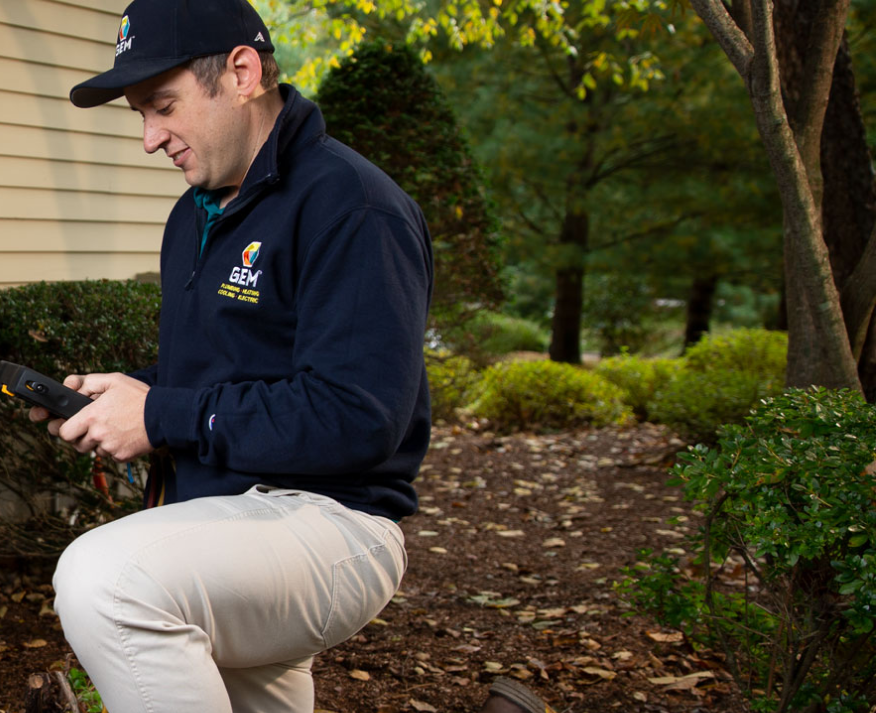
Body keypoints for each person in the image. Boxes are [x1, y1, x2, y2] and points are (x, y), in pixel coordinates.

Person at [28, 1, 557, 712]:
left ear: (241, 73)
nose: (150, 138)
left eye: (162, 105)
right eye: (139, 115)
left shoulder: (353, 204)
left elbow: (355, 414)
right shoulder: (193, 215)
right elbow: (217, 380)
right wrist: (126, 398)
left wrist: (163, 413)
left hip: (333, 521)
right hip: (222, 521)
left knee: (106, 579)